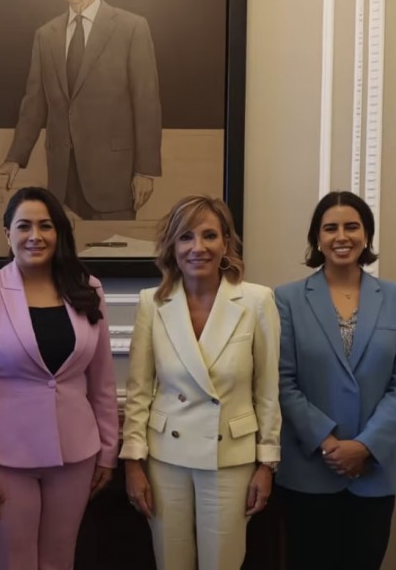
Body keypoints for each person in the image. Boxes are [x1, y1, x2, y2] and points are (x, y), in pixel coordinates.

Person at [0, 186, 119, 569]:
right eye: (24, 226)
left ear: (59, 232)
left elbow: (103, 382)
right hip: (4, 456)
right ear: (7, 233)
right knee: (11, 562)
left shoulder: (88, 288)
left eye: (46, 226)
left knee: (61, 561)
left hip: (76, 454)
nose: (35, 236)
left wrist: (109, 453)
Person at [120, 195, 281, 570]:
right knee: (170, 562)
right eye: (186, 237)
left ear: (226, 243)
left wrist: (267, 463)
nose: (198, 247)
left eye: (209, 235)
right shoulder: (152, 303)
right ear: (172, 246)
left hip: (231, 457)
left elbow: (267, 390)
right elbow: (139, 391)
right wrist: (132, 463)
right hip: (166, 458)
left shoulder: (257, 301)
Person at [274, 191, 396, 570]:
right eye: (330, 228)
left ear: (366, 235)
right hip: (309, 470)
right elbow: (282, 382)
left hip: (374, 472)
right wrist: (328, 444)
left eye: (352, 227)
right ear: (317, 238)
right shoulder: (286, 299)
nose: (342, 236)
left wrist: (365, 446)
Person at [0, 0, 162, 220]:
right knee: (62, 245)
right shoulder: (45, 35)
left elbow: (146, 103)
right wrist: (15, 158)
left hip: (113, 179)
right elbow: (34, 105)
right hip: (61, 181)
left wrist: (145, 171)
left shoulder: (132, 28)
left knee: (112, 244)